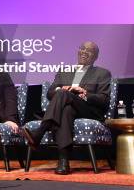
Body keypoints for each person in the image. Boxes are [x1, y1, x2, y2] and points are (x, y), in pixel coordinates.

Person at [21, 41, 111, 175]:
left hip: (88, 110)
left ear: (96, 56)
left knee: (63, 95)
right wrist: (60, 89)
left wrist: (84, 93)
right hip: (68, 108)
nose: (84, 52)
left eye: (89, 51)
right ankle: (63, 161)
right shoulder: (65, 71)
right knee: (66, 109)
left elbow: (104, 100)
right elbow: (50, 93)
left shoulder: (102, 73)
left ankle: (39, 132)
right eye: (82, 48)